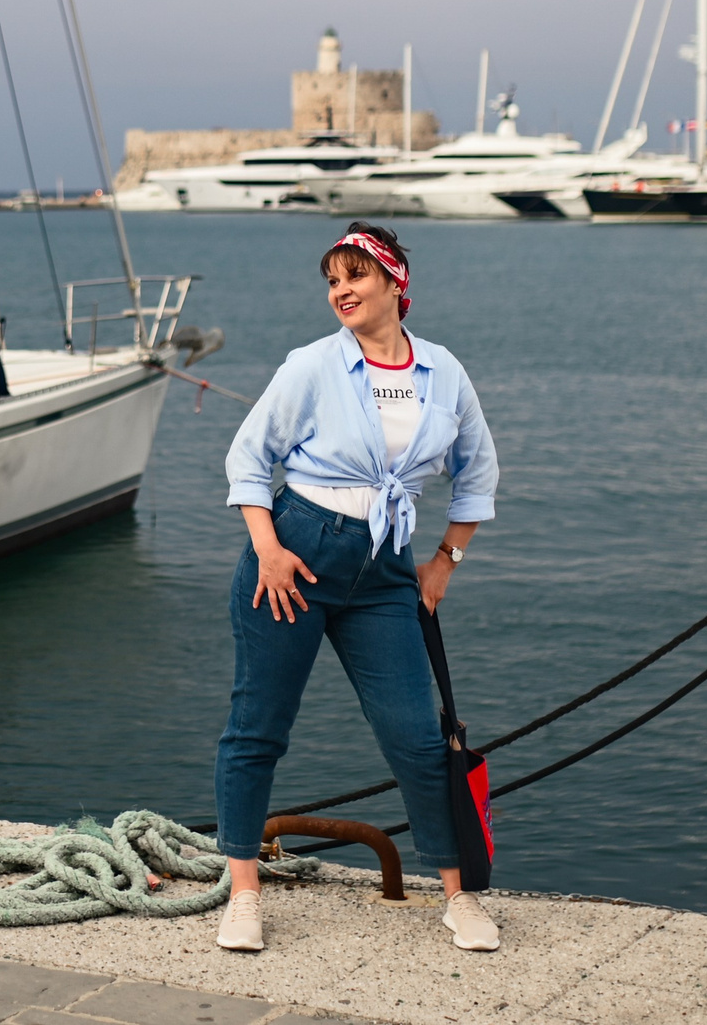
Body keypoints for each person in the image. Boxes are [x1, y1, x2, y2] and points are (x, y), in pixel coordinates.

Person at [211, 223, 500, 955]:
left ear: (395, 283)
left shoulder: (442, 372)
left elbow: (478, 473)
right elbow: (250, 458)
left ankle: (458, 896)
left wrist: (444, 562)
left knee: (417, 734)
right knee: (259, 726)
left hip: (385, 572)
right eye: (332, 279)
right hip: (296, 557)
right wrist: (268, 548)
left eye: (356, 276)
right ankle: (243, 890)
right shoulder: (312, 365)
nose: (341, 290)